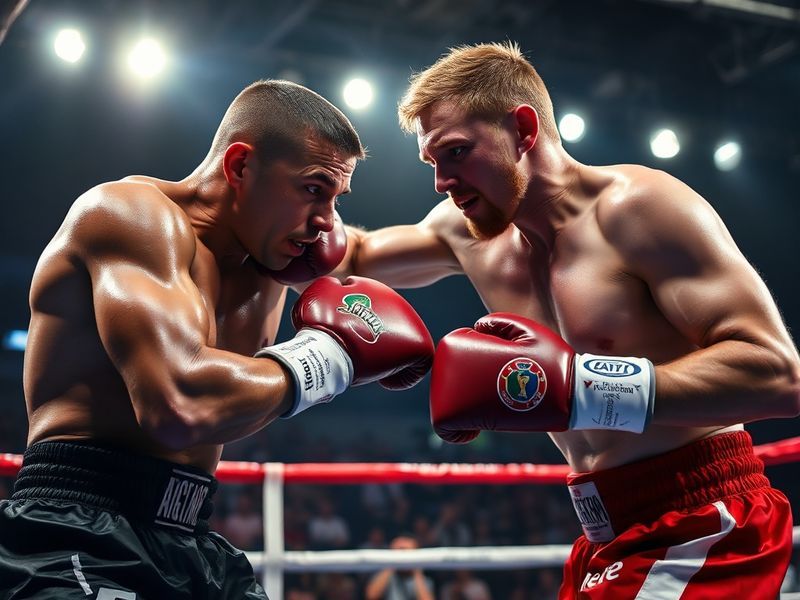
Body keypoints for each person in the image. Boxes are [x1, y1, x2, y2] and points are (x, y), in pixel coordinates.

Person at [335, 42, 800, 598]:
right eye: (432, 163)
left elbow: (778, 375)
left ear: (524, 130)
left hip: (702, 516)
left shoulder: (637, 210)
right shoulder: (466, 234)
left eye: (456, 153)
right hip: (602, 531)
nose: (441, 181)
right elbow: (353, 254)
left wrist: (582, 386)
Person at [0, 79, 435, 599]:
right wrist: (330, 358)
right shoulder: (131, 217)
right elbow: (178, 404)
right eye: (314, 189)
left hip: (190, 539)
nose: (326, 223)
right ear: (239, 167)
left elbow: (418, 243)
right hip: (76, 526)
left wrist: (500, 204)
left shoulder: (283, 249)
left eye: (337, 199)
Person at [365, 535, 435, 600]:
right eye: (400, 551)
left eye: (406, 552)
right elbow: (371, 596)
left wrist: (415, 567)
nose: (403, 556)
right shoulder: (385, 575)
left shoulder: (422, 580)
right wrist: (393, 561)